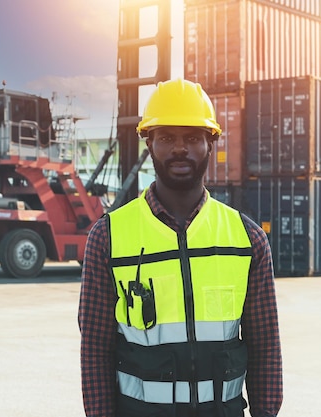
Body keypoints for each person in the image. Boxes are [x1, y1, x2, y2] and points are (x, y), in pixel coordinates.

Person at [78, 78, 283, 417]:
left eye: (192, 138)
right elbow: (95, 350)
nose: (179, 149)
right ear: (149, 144)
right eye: (166, 138)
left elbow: (265, 348)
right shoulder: (109, 237)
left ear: (211, 143)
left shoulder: (246, 239)